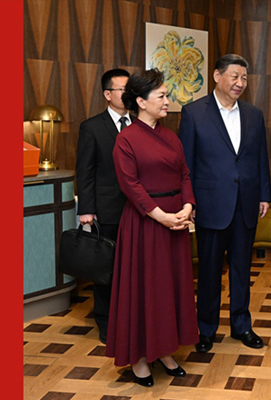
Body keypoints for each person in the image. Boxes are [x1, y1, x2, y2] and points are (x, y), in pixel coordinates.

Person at [106, 69, 198, 387]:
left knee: (170, 289)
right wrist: (162, 217)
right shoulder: (126, 139)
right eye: (162, 96)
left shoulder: (171, 136)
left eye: (166, 95)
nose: (168, 101)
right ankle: (141, 358)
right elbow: (130, 185)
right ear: (141, 102)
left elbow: (185, 174)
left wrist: (188, 207)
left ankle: (165, 350)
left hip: (176, 221)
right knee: (146, 290)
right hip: (146, 224)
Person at [178, 54, 271, 353]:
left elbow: (260, 157)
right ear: (217, 76)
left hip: (246, 203)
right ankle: (205, 328)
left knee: (242, 269)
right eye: (234, 76)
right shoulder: (194, 113)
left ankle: (242, 325)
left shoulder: (254, 114)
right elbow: (186, 164)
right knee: (209, 270)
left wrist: (264, 194)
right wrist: (189, 202)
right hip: (210, 204)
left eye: (244, 78)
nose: (240, 83)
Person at [76, 68, 130, 344]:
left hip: (138, 210)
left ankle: (130, 319)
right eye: (122, 89)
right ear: (108, 94)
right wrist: (86, 210)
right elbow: (85, 171)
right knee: (106, 269)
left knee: (132, 268)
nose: (128, 94)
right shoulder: (92, 127)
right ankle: (106, 322)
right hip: (107, 210)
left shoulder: (141, 124)